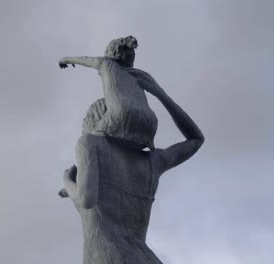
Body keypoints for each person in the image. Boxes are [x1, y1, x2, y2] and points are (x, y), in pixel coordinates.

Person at [58, 36, 204, 264]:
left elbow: (86, 201)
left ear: (94, 122)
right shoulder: (153, 162)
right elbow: (196, 139)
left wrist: (68, 181)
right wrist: (159, 93)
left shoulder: (89, 144)